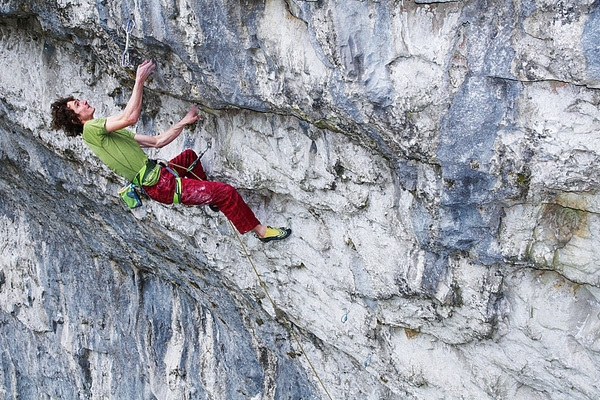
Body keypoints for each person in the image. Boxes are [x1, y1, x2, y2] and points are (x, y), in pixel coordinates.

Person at [50, 59, 291, 243]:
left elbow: (156, 142)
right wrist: (139, 80)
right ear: (75, 120)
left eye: (78, 100)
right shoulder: (91, 129)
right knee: (226, 193)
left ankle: (211, 197)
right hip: (160, 184)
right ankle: (261, 232)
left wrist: (182, 123)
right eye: (76, 105)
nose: (82, 102)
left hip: (159, 178)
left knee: (188, 157)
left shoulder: (106, 133)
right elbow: (130, 116)